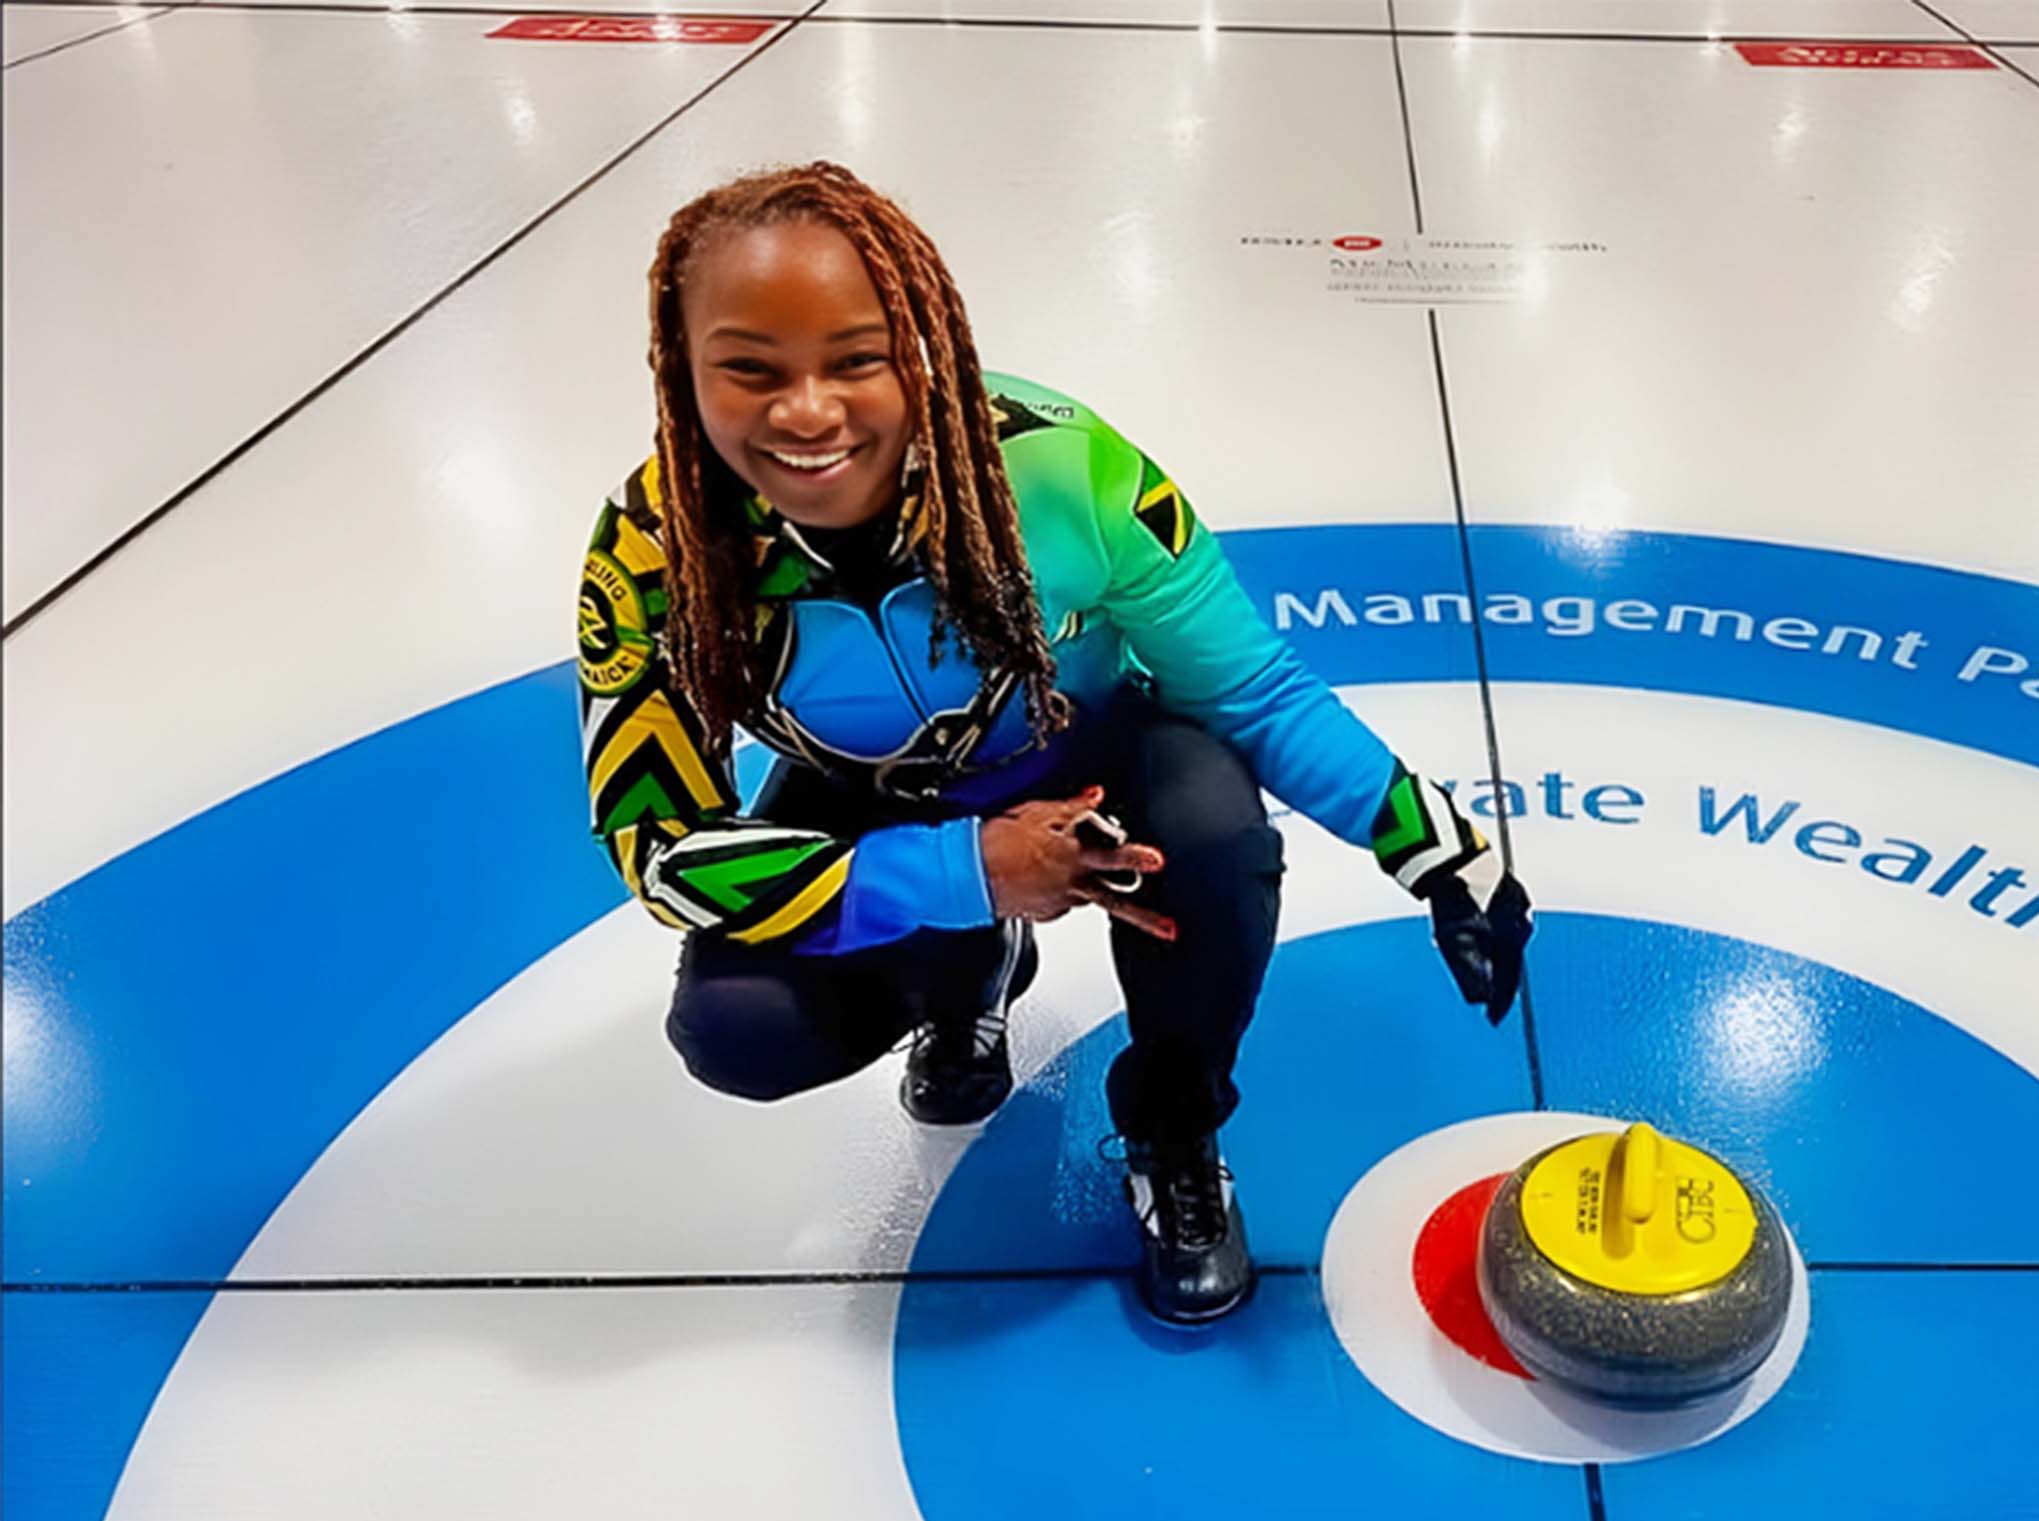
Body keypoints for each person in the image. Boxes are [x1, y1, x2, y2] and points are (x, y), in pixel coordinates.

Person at [574, 162, 1532, 1325]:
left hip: (1095, 756)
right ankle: (963, 971)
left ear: (921, 349)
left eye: (857, 358)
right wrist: (970, 871)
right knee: (740, 1028)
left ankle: (1175, 1130)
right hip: (871, 804)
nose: (809, 410)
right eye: (751, 369)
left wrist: (1439, 847)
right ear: (682, 373)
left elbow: (1258, 692)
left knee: (1215, 839)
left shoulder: (1066, 468)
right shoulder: (649, 552)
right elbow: (663, 850)